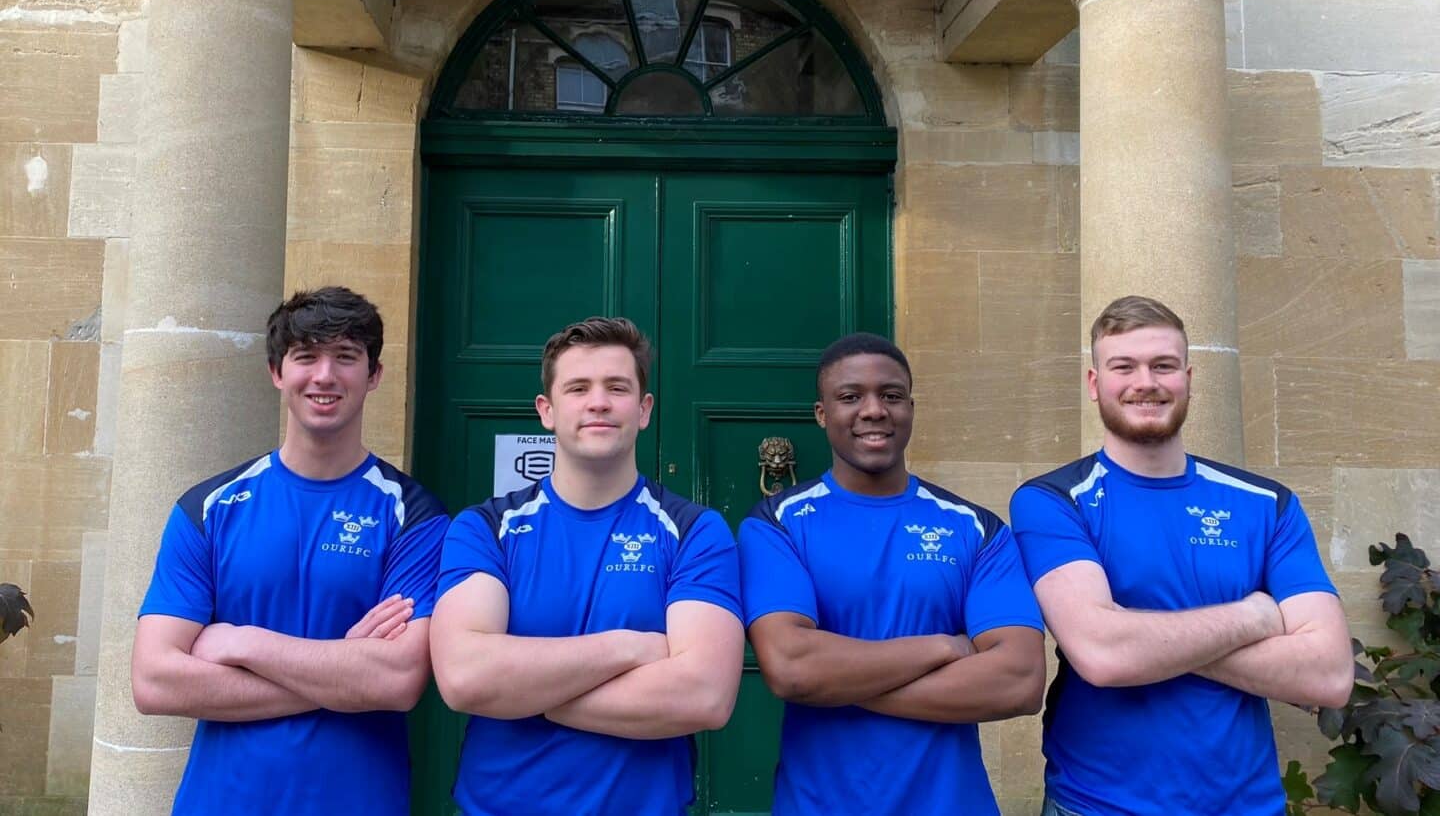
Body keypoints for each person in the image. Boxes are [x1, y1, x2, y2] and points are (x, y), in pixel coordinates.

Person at [1009, 295, 1353, 816]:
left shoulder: (1267, 505)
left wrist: (1141, 637)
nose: (1145, 381)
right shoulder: (1054, 502)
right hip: (1099, 804)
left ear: (1188, 377)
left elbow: (1327, 676)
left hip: (1248, 805)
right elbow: (1103, 657)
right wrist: (1253, 615)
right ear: (1094, 382)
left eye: (1163, 365)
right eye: (1123, 366)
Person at [131, 287, 448, 814]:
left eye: (346, 357)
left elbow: (397, 680)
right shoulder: (208, 508)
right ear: (278, 372)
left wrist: (243, 642)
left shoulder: (414, 516)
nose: (324, 375)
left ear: (374, 375)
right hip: (221, 801)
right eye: (307, 356)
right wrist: (345, 671)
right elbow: (154, 682)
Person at [429, 316, 744, 816]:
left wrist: (531, 695)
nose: (598, 402)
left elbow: (703, 696)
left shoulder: (694, 531)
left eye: (617, 387)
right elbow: (465, 678)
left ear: (644, 410)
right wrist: (632, 647)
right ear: (547, 411)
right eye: (578, 388)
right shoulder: (485, 528)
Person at [739, 332, 1046, 816]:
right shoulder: (777, 525)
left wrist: (841, 681)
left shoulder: (976, 528)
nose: (873, 410)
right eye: (850, 397)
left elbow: (1020, 681)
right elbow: (793, 667)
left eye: (891, 395)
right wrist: (944, 647)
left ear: (910, 408)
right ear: (822, 415)